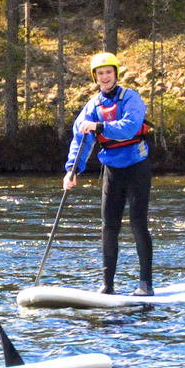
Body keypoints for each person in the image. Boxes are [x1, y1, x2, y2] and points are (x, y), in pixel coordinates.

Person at [64, 51, 153, 296]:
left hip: (137, 166)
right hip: (112, 170)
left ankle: (145, 285)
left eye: (108, 72)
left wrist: (100, 126)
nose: (105, 77)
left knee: (138, 223)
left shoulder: (131, 97)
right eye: (100, 73)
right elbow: (81, 139)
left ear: (116, 74)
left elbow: (130, 128)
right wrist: (72, 170)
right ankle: (107, 286)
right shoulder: (92, 106)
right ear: (96, 77)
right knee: (109, 227)